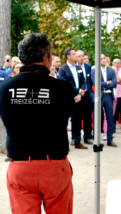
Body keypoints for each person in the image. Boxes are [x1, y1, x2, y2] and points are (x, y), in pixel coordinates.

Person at [0, 33, 74, 214]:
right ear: (45, 58)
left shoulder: (4, 88)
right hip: (54, 165)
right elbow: (65, 116)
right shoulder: (63, 88)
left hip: (20, 166)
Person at [58, 47, 87, 149]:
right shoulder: (62, 69)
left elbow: (83, 81)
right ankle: (63, 144)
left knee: (77, 120)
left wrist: (80, 94)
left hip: (78, 98)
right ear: (68, 56)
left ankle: (77, 141)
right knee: (65, 122)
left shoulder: (79, 68)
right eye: (74, 54)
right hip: (67, 98)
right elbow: (65, 84)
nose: (76, 56)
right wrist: (78, 91)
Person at [91, 54, 117, 147]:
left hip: (109, 96)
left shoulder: (111, 70)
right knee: (97, 117)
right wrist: (107, 82)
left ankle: (110, 140)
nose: (103, 60)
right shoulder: (94, 70)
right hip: (99, 96)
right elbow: (96, 83)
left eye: (104, 58)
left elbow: (114, 84)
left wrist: (104, 85)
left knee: (110, 118)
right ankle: (96, 139)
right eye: (100, 58)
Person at [76, 50, 93, 144]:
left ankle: (87, 136)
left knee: (87, 118)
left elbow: (91, 81)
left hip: (87, 95)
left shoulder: (88, 67)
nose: (81, 58)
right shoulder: (74, 67)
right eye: (79, 56)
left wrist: (91, 93)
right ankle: (76, 138)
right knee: (77, 117)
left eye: (82, 56)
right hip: (78, 94)